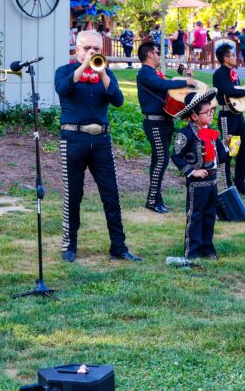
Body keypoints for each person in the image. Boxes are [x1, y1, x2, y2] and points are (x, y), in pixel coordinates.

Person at [54, 30, 142, 263]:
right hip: (73, 139)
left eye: (96, 49)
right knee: (73, 195)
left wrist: (101, 73)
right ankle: (69, 246)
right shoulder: (64, 71)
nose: (92, 52)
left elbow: (118, 100)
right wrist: (83, 67)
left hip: (101, 140)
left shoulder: (106, 73)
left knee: (111, 194)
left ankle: (119, 247)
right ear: (76, 50)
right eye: (87, 49)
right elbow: (63, 89)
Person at [136, 41, 197, 213]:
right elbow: (162, 86)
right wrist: (185, 80)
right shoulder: (144, 73)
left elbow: (169, 88)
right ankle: (152, 200)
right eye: (157, 52)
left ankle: (156, 199)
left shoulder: (154, 74)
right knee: (160, 160)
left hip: (164, 121)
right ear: (149, 55)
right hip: (154, 123)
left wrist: (185, 78)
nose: (159, 56)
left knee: (159, 160)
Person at [171, 89, 230, 260]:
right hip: (197, 185)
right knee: (195, 216)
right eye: (207, 112)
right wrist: (191, 171)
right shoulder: (185, 134)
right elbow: (176, 155)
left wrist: (228, 146)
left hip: (212, 182)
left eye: (212, 110)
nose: (211, 114)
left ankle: (207, 249)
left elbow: (222, 157)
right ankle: (192, 251)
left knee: (210, 215)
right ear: (194, 115)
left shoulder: (211, 134)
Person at [213, 44, 245, 195]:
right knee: (229, 151)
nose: (236, 57)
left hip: (237, 116)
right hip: (227, 116)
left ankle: (240, 184)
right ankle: (227, 186)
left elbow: (238, 95)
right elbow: (229, 91)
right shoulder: (220, 74)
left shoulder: (233, 74)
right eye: (233, 55)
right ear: (226, 58)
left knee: (242, 150)